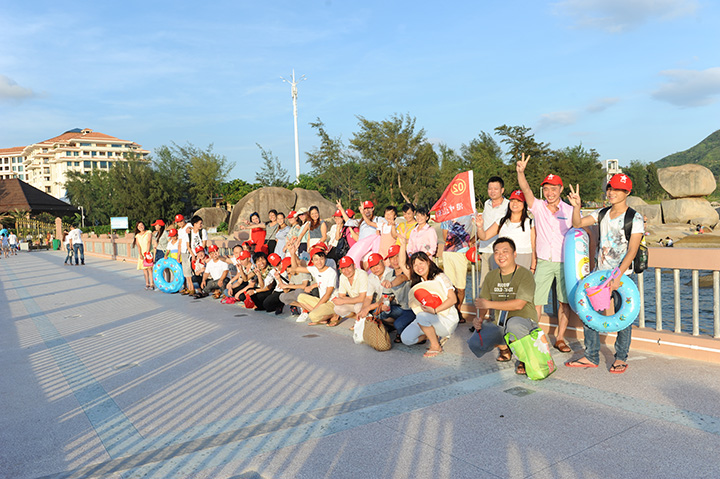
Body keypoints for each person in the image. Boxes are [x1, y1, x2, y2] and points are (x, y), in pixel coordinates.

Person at [566, 174, 644, 373]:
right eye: (610, 188)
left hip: (623, 276)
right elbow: (577, 224)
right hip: (599, 274)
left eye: (617, 189)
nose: (611, 192)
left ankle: (621, 357)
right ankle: (591, 355)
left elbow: (632, 250)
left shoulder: (634, 218)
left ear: (627, 192)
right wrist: (576, 207)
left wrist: (617, 276)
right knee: (589, 313)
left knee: (623, 317)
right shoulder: (602, 213)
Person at [516, 153, 573, 353]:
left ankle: (560, 338)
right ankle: (535, 338)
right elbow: (526, 189)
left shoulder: (569, 210)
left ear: (561, 189)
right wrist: (521, 173)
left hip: (565, 262)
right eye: (546, 189)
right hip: (543, 262)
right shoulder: (538, 207)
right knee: (536, 302)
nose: (550, 193)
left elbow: (580, 232)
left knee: (564, 302)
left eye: (553, 188)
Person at [473, 237, 540, 376]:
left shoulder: (525, 274)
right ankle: (505, 348)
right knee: (476, 341)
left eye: (505, 251)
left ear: (514, 254)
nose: (500, 255)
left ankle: (524, 358)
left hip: (524, 321)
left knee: (514, 324)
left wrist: (489, 304)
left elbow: (519, 304)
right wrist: (478, 319)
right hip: (501, 321)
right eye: (497, 252)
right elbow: (483, 301)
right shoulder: (491, 276)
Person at [397, 236, 459, 357]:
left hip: (445, 319)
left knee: (421, 316)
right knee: (406, 339)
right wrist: (403, 244)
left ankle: (435, 346)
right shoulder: (418, 280)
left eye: (421, 263)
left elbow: (453, 299)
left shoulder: (440, 277)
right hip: (427, 317)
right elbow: (402, 264)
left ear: (428, 262)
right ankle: (430, 334)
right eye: (415, 265)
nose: (419, 267)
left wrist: (435, 310)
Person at [475, 189, 536, 270]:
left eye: (519, 201)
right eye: (512, 200)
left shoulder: (530, 222)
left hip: (524, 258)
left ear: (524, 204)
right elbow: (484, 237)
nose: (515, 203)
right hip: (504, 258)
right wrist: (480, 227)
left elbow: (534, 247)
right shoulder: (501, 221)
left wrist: (533, 267)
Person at [440, 212, 475, 322]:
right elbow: (445, 237)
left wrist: (471, 241)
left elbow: (480, 229)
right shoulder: (447, 214)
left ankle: (458, 309)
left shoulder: (470, 213)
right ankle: (454, 312)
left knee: (461, 287)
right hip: (448, 252)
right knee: (450, 286)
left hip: (462, 253)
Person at [378, 244, 415, 343]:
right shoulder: (389, 275)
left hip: (412, 309)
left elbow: (402, 277)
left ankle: (406, 328)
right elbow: (386, 296)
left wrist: (391, 283)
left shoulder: (409, 270)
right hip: (400, 308)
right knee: (380, 314)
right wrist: (382, 305)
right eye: (391, 258)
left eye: (397, 256)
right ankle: (401, 327)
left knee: (398, 324)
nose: (394, 260)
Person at [476, 176, 509, 285]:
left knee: (499, 283)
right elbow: (484, 225)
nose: (492, 191)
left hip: (500, 251)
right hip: (485, 248)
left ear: (502, 190)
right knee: (485, 284)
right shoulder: (487, 204)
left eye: (495, 189)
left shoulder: (508, 205)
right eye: (490, 189)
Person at [291, 248, 338, 324]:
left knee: (312, 316)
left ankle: (333, 315)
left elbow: (328, 294)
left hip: (331, 302)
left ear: (325, 259)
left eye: (321, 259)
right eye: (316, 259)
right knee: (300, 297)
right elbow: (295, 269)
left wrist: (315, 309)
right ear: (312, 261)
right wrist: (292, 254)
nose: (319, 262)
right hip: (322, 301)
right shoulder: (315, 269)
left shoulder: (331, 272)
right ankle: (322, 317)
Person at [326, 255, 368, 327]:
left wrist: (343, 301)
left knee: (358, 307)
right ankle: (357, 318)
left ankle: (361, 323)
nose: (346, 271)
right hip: (354, 301)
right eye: (343, 268)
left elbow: (363, 298)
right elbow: (341, 296)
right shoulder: (342, 276)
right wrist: (343, 300)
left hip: (366, 302)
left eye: (348, 267)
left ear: (354, 266)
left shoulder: (362, 274)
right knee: (337, 308)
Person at [341, 199, 381, 268]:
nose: (367, 211)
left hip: (372, 249)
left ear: (373, 209)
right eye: (365, 209)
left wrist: (379, 229)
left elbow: (386, 225)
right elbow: (348, 221)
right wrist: (341, 209)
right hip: (361, 249)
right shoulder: (361, 221)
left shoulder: (378, 219)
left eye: (368, 208)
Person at [175, 214, 195, 295]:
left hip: (189, 250)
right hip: (183, 251)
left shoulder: (189, 225)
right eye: (178, 222)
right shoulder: (179, 230)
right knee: (185, 271)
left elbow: (195, 229)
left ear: (184, 220)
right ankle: (189, 288)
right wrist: (178, 255)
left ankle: (192, 288)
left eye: (181, 221)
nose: (180, 223)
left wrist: (190, 228)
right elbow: (179, 243)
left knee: (189, 271)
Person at [132, 222, 154, 290]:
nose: (140, 227)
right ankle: (147, 283)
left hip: (148, 252)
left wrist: (147, 252)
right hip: (142, 253)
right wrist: (140, 254)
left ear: (144, 225)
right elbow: (138, 245)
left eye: (141, 225)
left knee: (149, 269)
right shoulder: (137, 236)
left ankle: (152, 284)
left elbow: (149, 242)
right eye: (139, 226)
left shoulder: (148, 232)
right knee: (144, 269)